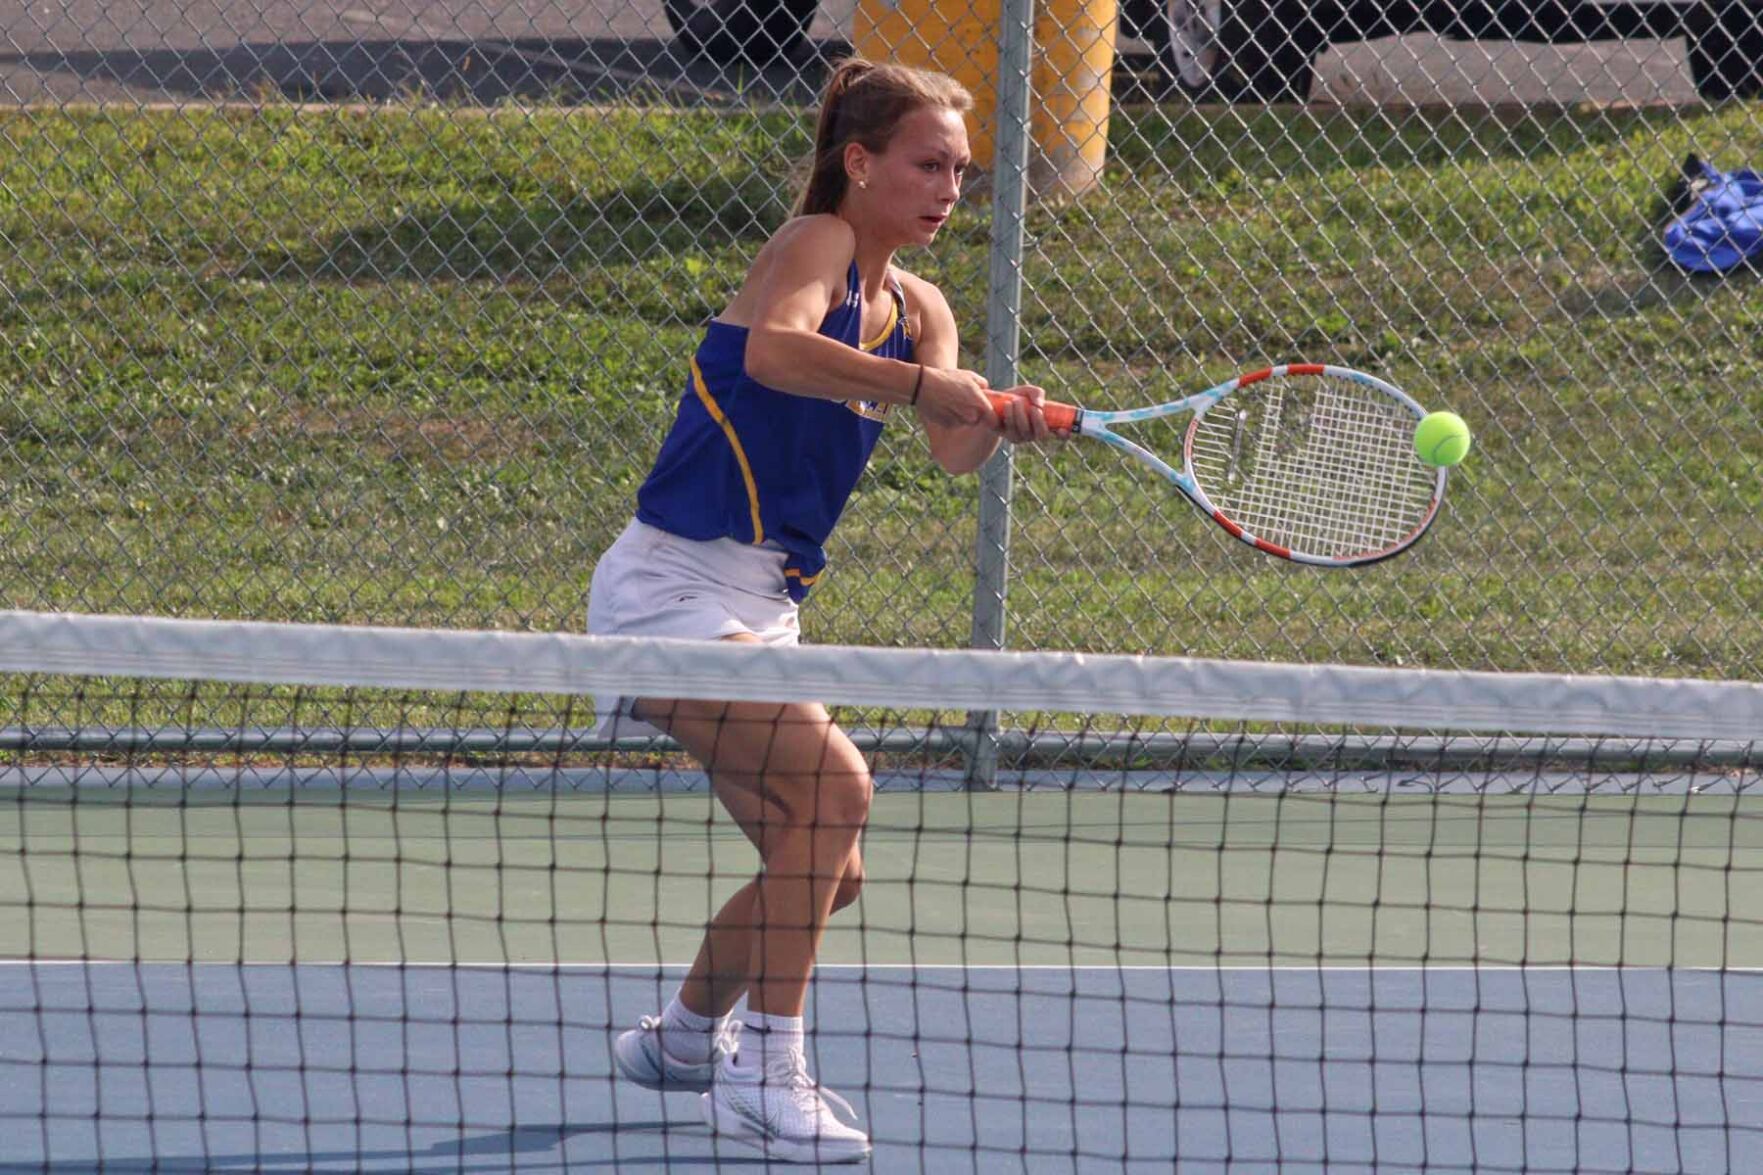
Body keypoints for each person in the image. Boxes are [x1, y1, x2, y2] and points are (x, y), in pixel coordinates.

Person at [590, 56, 1053, 1164]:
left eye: (960, 168)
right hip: (671, 586)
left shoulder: (922, 306)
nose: (949, 185)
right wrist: (915, 386)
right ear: (859, 162)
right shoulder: (818, 246)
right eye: (926, 162)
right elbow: (773, 350)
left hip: (760, 605)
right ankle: (768, 1070)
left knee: (829, 865)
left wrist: (998, 416)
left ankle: (685, 1038)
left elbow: (951, 449)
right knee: (840, 786)